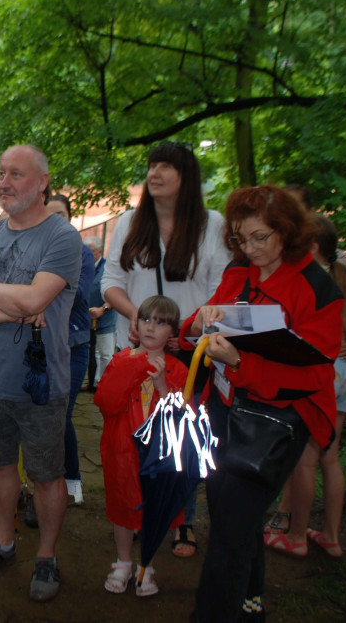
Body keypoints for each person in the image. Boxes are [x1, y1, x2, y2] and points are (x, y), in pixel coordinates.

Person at [182, 185, 343, 622]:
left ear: (286, 233)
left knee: (230, 531)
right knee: (231, 510)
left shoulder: (318, 288)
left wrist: (238, 362)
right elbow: (193, 331)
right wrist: (199, 322)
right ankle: (250, 599)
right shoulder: (239, 274)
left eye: (260, 238)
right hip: (223, 407)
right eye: (239, 239)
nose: (249, 249)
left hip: (277, 420)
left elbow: (314, 373)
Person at [0, 144, 82, 603]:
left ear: (42, 182)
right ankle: (2, 543)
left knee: (46, 475)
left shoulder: (61, 237)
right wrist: (14, 307)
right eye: (1, 174)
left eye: (16, 174)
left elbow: (32, 300)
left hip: (41, 386)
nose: (4, 183)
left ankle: (46, 555)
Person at [101, 140, 230, 558]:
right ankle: (137, 512)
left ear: (185, 176)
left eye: (165, 167)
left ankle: (181, 519)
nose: (154, 173)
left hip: (190, 355)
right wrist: (141, 322)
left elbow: (219, 291)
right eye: (152, 166)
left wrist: (189, 333)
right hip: (137, 352)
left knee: (180, 440)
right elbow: (111, 282)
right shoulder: (129, 223)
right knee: (136, 435)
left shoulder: (212, 225)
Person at [264, 214, 346, 557]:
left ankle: (296, 536)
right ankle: (330, 536)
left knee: (305, 461)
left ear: (312, 246)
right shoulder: (344, 276)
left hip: (321, 375)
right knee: (331, 457)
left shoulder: (314, 281)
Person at [95, 295, 188, 597]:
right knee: (123, 507)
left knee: (154, 509)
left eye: (161, 324)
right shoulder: (122, 360)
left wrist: (162, 386)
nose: (151, 328)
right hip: (123, 450)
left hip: (158, 457)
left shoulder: (178, 370)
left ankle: (146, 564)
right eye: (146, 320)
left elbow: (181, 416)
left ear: (172, 333)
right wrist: (132, 369)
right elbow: (106, 404)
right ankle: (123, 561)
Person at [45, 193, 95, 505]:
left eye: (60, 215)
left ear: (70, 219)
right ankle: (40, 480)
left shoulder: (83, 253)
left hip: (72, 346)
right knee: (38, 415)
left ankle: (72, 477)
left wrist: (35, 289)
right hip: (39, 346)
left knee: (61, 415)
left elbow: (74, 294)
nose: (54, 221)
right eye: (49, 215)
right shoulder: (34, 248)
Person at [85, 236, 117, 389]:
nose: (86, 254)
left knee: (105, 354)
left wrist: (103, 309)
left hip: (105, 319)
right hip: (88, 319)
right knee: (93, 353)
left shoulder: (107, 268)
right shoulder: (85, 266)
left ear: (98, 251)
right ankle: (93, 383)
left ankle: (104, 386)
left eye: (90, 251)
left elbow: (115, 293)